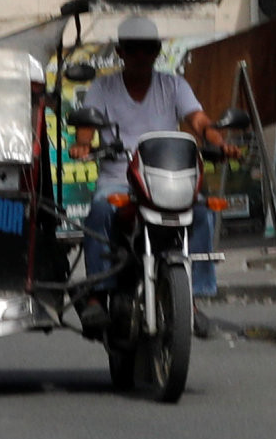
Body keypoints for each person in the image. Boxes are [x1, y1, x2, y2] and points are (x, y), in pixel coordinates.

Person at [73, 28, 216, 285]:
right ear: (120, 52)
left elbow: (198, 119)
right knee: (100, 210)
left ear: (157, 52)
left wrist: (218, 140)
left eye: (147, 49)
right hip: (119, 179)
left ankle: (195, 294)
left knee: (203, 213)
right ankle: (98, 291)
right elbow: (86, 127)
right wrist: (83, 144)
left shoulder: (174, 85)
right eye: (133, 49)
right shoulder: (103, 87)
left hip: (167, 180)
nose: (140, 56)